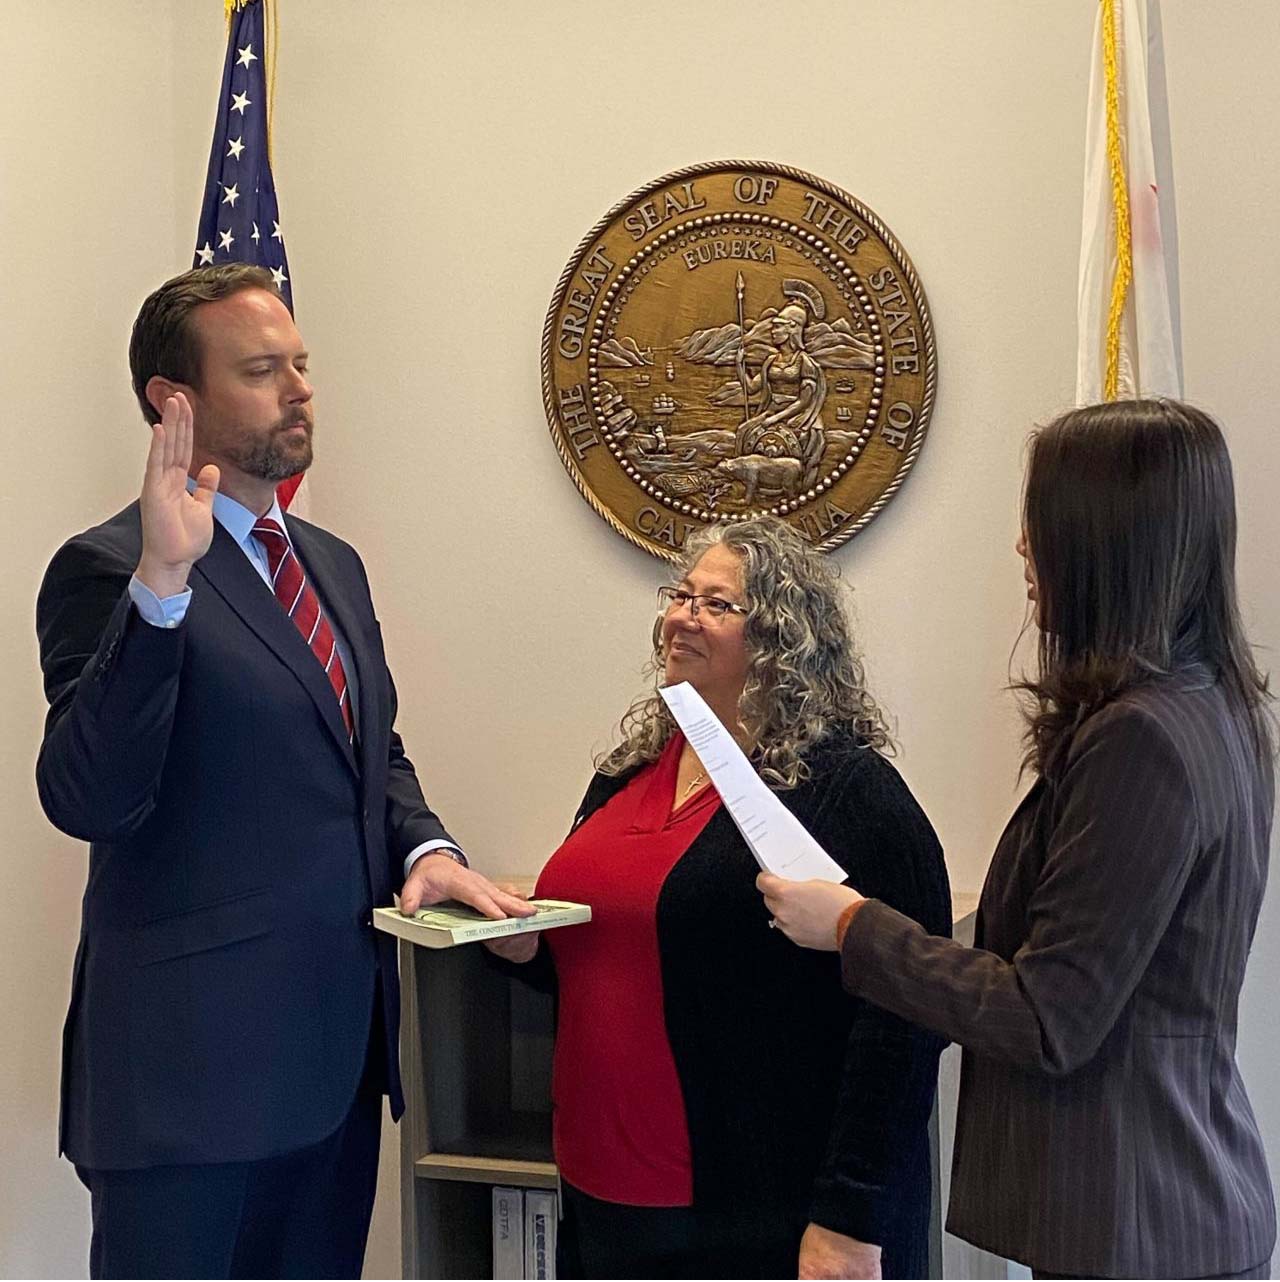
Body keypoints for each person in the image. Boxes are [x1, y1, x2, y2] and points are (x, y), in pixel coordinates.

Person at [35, 263, 530, 1279]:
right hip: (187, 1087)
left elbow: (366, 751)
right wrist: (163, 589)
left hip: (335, 1067)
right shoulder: (110, 567)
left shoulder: (328, 562)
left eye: (300, 363)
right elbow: (89, 794)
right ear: (175, 401)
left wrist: (423, 844)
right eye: (262, 371)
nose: (299, 389)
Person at [760, 400, 1277, 1279]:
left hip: (1136, 1222)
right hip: (1158, 1211)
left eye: (1038, 519)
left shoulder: (1141, 737)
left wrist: (852, 926)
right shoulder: (1209, 706)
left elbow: (1049, 1016)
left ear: (1102, 535)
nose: (1022, 548)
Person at [489, 516, 952, 1279]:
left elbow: (905, 1023)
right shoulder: (630, 770)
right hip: (602, 1185)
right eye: (680, 596)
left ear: (784, 640)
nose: (682, 616)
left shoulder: (846, 793)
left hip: (752, 1208)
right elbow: (620, 951)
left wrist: (850, 1218)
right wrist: (525, 946)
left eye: (716, 604)